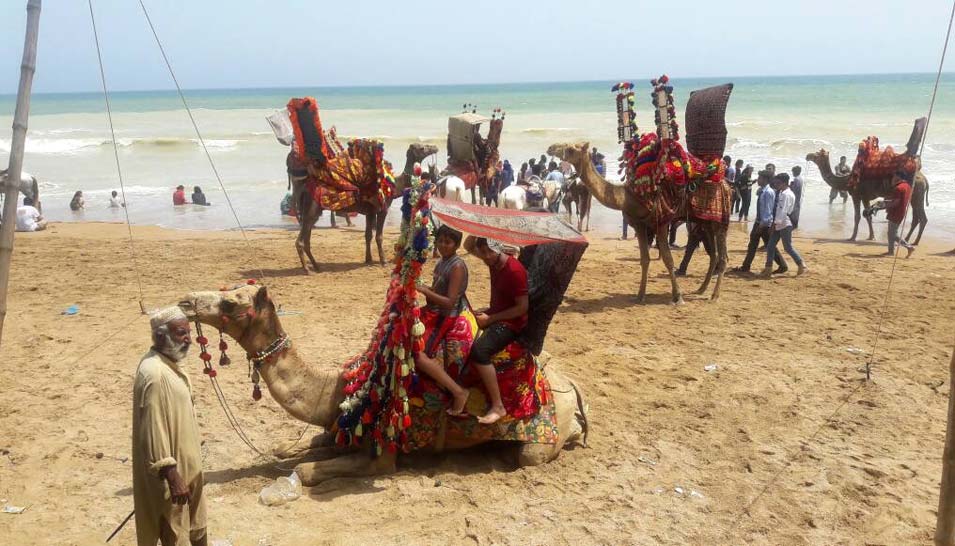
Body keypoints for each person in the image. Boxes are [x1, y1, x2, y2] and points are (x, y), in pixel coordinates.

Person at [133, 307, 207, 546]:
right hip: (173, 479)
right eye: (180, 333)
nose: (188, 338)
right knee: (176, 535)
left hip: (190, 471)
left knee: (196, 529)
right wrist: (173, 476)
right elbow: (152, 430)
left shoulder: (171, 365)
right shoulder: (154, 374)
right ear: (162, 336)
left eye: (188, 332)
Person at [465, 237, 528, 425]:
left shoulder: (514, 270)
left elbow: (522, 307)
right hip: (497, 312)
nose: (485, 256)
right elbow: (468, 246)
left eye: (489, 251)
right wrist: (479, 226)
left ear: (499, 248)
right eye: (482, 252)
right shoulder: (492, 261)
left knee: (479, 351)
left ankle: (498, 406)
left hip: (512, 322)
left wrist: (491, 318)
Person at [414, 225, 473, 416]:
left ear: (456, 244)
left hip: (445, 315)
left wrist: (425, 291)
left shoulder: (456, 266)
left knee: (419, 355)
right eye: (440, 241)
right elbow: (437, 290)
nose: (442, 245)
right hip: (432, 310)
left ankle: (458, 392)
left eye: (447, 242)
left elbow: (449, 301)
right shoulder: (442, 262)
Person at [733, 170, 786, 273]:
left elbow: (768, 210)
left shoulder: (768, 192)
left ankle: (782, 265)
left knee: (764, 245)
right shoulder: (763, 191)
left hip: (763, 223)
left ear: (765, 180)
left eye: (760, 178)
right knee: (759, 245)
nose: (758, 180)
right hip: (761, 222)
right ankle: (746, 266)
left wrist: (761, 225)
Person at [760, 173, 808, 277]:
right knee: (770, 246)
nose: (776, 185)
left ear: (784, 183)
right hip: (781, 222)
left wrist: (774, 224)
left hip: (784, 223)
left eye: (778, 183)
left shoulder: (785, 194)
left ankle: (801, 265)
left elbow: (782, 211)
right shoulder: (786, 193)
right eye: (775, 183)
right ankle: (768, 268)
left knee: (787, 247)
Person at [883, 171, 916, 258]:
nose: (893, 179)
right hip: (901, 212)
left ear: (898, 177)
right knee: (892, 232)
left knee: (892, 234)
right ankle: (891, 251)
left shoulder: (898, 188)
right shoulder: (908, 186)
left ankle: (909, 247)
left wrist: (884, 205)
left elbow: (895, 203)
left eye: (894, 177)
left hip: (895, 212)